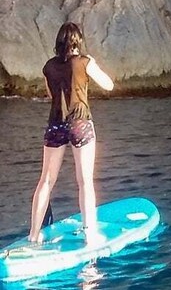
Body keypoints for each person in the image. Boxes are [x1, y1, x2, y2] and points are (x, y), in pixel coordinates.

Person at [29, 22, 114, 245]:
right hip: (80, 124)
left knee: (46, 181)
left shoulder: (48, 67)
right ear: (77, 42)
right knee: (84, 181)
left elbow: (51, 95)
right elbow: (109, 86)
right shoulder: (85, 62)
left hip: (55, 125)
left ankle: (34, 235)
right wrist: (91, 65)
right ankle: (90, 233)